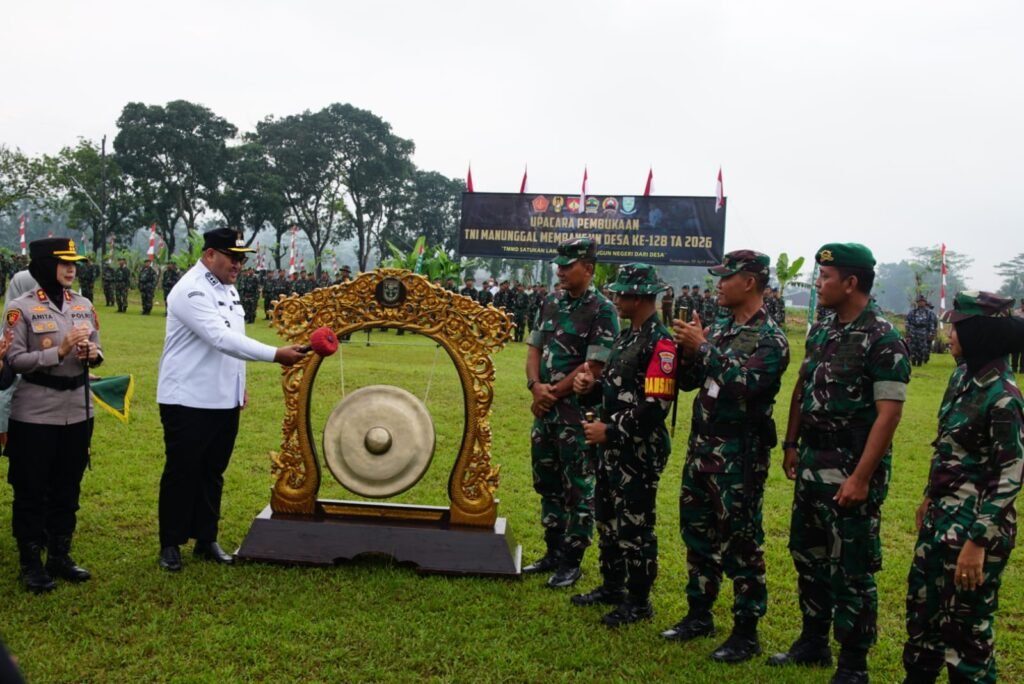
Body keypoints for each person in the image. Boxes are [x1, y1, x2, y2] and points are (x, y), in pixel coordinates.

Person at [771, 243, 910, 684]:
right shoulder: (822, 328)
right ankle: (812, 641)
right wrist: (791, 442)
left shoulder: (883, 338)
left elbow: (888, 414)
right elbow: (801, 386)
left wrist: (862, 478)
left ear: (850, 282)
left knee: (850, 567)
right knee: (808, 555)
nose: (818, 283)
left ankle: (853, 665)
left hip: (850, 467)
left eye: (826, 277)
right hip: (812, 459)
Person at [661, 251, 790, 663]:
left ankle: (746, 631)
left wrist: (704, 349)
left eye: (726, 277)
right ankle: (699, 614)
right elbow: (690, 383)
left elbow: (745, 385)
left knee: (741, 542)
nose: (718, 284)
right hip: (702, 447)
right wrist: (686, 351)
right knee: (697, 535)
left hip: (739, 456)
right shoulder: (716, 329)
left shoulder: (771, 338)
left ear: (749, 282)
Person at [156, 228, 305, 572]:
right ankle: (171, 543)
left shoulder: (227, 288)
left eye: (242, 258)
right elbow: (220, 338)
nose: (238, 264)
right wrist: (276, 354)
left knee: (213, 471)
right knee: (182, 471)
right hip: (188, 398)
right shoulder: (192, 289)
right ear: (209, 255)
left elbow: (235, 341)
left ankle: (206, 538)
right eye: (232, 257)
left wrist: (239, 385)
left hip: (223, 397)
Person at [902, 291, 1024, 684]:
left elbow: (1010, 475)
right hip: (941, 519)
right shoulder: (961, 376)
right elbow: (947, 446)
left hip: (974, 530)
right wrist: (928, 495)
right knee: (923, 615)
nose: (948, 334)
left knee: (966, 632)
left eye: (956, 327)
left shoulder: (1004, 397)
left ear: (982, 334)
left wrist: (977, 542)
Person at [570, 263, 676, 627]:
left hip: (638, 450)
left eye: (621, 293)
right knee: (608, 519)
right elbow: (618, 392)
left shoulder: (660, 343)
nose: (615, 297)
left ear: (640, 296)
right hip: (611, 448)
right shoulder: (628, 338)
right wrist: (590, 389)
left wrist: (610, 431)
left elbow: (655, 407)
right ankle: (612, 587)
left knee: (634, 526)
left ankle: (639, 600)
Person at [3, 238, 101, 592]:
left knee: (67, 487)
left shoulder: (84, 304)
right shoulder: (20, 308)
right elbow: (13, 361)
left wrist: (92, 353)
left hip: (77, 409)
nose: (72, 269)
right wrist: (58, 352)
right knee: (31, 488)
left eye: (75, 263)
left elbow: (99, 349)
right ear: (45, 265)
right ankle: (31, 562)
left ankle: (60, 555)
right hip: (35, 413)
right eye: (64, 263)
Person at [524, 237, 618, 587]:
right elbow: (534, 347)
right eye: (559, 265)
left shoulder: (602, 309)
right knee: (547, 482)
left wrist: (553, 393)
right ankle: (552, 551)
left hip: (576, 415)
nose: (560, 270)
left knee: (578, 487)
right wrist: (536, 387)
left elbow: (593, 364)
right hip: (544, 411)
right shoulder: (550, 301)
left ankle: (571, 560)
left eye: (568, 265)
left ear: (588, 269)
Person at [905, 295, 938, 367]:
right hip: (913, 331)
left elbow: (932, 323)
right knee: (912, 347)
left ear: (925, 303)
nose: (921, 303)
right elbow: (908, 322)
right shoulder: (912, 312)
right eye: (919, 302)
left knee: (922, 348)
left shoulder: (929, 313)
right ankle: (913, 361)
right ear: (917, 302)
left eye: (922, 302)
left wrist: (931, 333)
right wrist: (908, 332)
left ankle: (920, 361)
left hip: (923, 332)